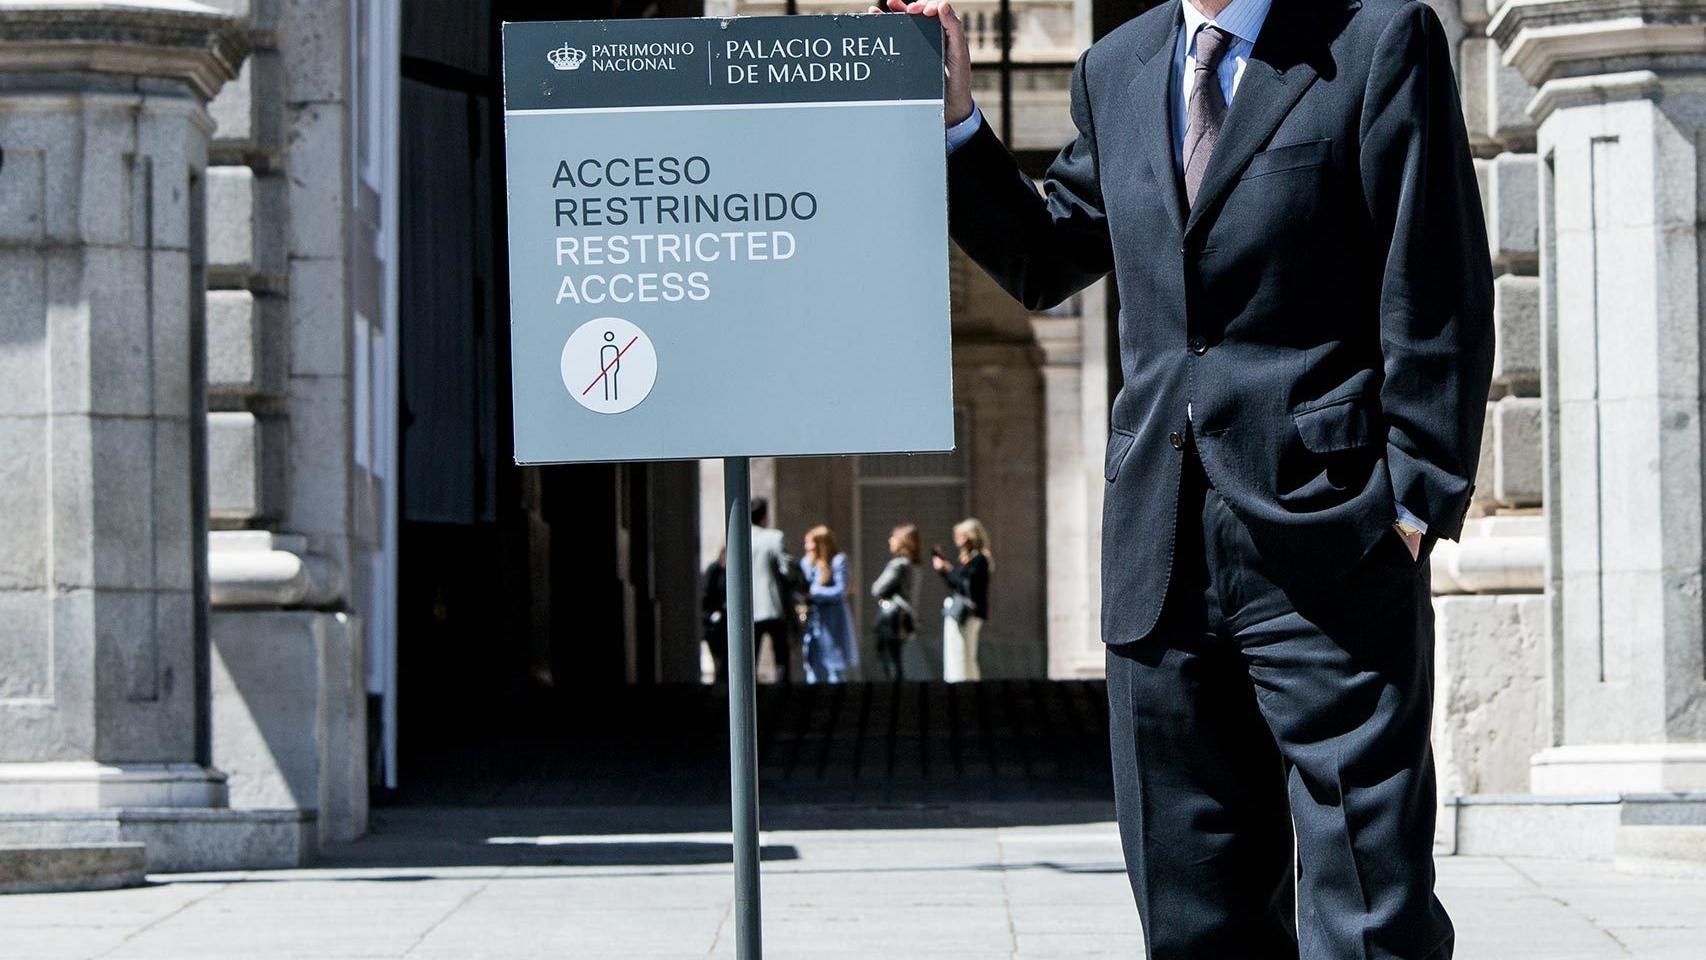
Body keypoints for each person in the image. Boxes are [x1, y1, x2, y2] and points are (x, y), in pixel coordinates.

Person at [882, 0, 1493, 956]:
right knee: (1193, 912)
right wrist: (956, 118)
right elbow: (1046, 257)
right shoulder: (1118, 67)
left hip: (1330, 543)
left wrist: (1413, 502)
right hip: (1160, 554)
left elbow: (1434, 273)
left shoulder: (1374, 40)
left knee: (1369, 911)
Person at [932, 518, 991, 683]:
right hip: (966, 612)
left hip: (968, 613)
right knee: (963, 654)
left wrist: (946, 570)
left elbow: (963, 584)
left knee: (961, 654)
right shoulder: (969, 559)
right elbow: (956, 583)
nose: (957, 540)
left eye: (960, 536)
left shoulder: (979, 559)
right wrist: (946, 571)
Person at [799, 525, 857, 684]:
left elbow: (841, 591)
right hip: (814, 623)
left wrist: (815, 592)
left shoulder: (838, 561)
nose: (807, 547)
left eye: (810, 542)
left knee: (835, 670)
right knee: (813, 668)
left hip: (833, 621)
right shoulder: (807, 563)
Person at [870, 524, 922, 681]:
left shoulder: (898, 565)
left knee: (890, 663)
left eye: (893, 537)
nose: (890, 540)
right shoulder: (914, 565)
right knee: (898, 661)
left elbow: (877, 589)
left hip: (891, 620)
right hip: (904, 619)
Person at [748, 497, 792, 683]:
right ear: (765, 517)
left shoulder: (740, 536)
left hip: (750, 606)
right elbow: (787, 570)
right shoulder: (774, 537)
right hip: (772, 604)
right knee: (781, 652)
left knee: (751, 654)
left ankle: (751, 690)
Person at [700, 548, 728, 684]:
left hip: (723, 623)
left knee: (724, 663)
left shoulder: (724, 572)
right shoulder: (714, 570)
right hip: (713, 624)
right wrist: (712, 613)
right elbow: (706, 595)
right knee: (719, 661)